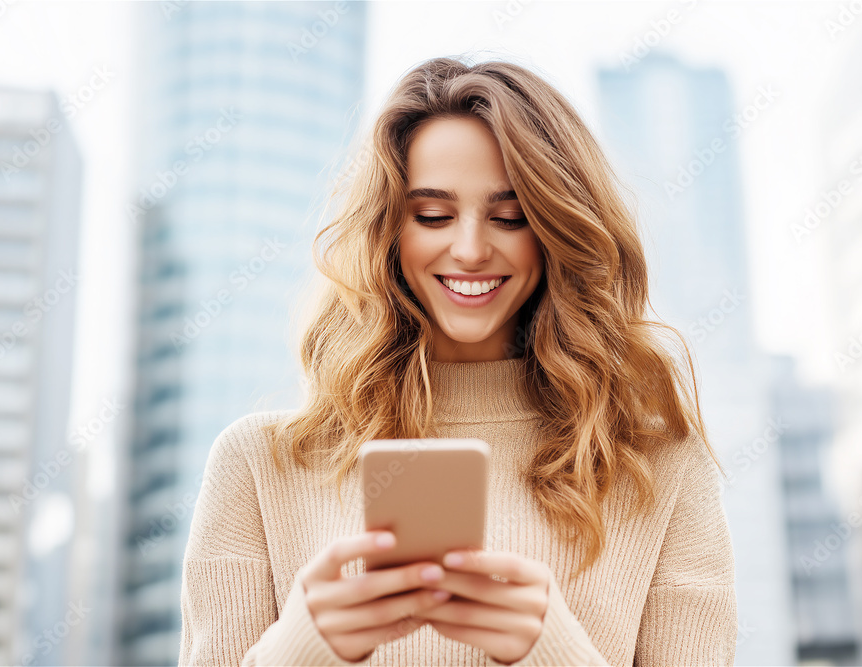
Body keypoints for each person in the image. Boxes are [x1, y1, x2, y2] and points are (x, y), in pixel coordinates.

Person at [179, 55, 737, 666]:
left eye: (510, 217)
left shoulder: (660, 468)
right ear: (388, 230)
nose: (470, 249)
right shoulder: (258, 465)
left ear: (556, 230)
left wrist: (553, 650)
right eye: (432, 216)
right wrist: (299, 648)